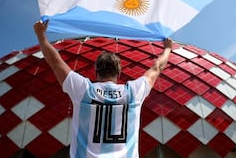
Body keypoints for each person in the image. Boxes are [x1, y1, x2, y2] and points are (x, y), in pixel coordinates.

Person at [34, 20, 173, 158]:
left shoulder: (84, 90)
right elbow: (157, 67)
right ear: (119, 74)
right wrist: (167, 48)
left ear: (96, 72)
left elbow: (55, 61)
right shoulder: (132, 92)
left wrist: (41, 35)